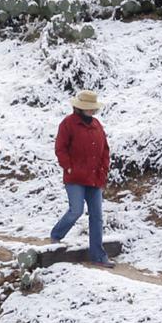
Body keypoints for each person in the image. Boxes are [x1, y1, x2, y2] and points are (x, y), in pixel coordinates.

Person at [50, 90, 114, 268]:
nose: (92, 111)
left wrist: (103, 172)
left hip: (95, 179)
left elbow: (105, 151)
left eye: (93, 108)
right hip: (75, 178)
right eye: (89, 108)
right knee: (76, 210)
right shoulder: (68, 124)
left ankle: (98, 256)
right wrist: (68, 167)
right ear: (79, 108)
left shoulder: (97, 125)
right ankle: (56, 235)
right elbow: (60, 148)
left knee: (97, 217)